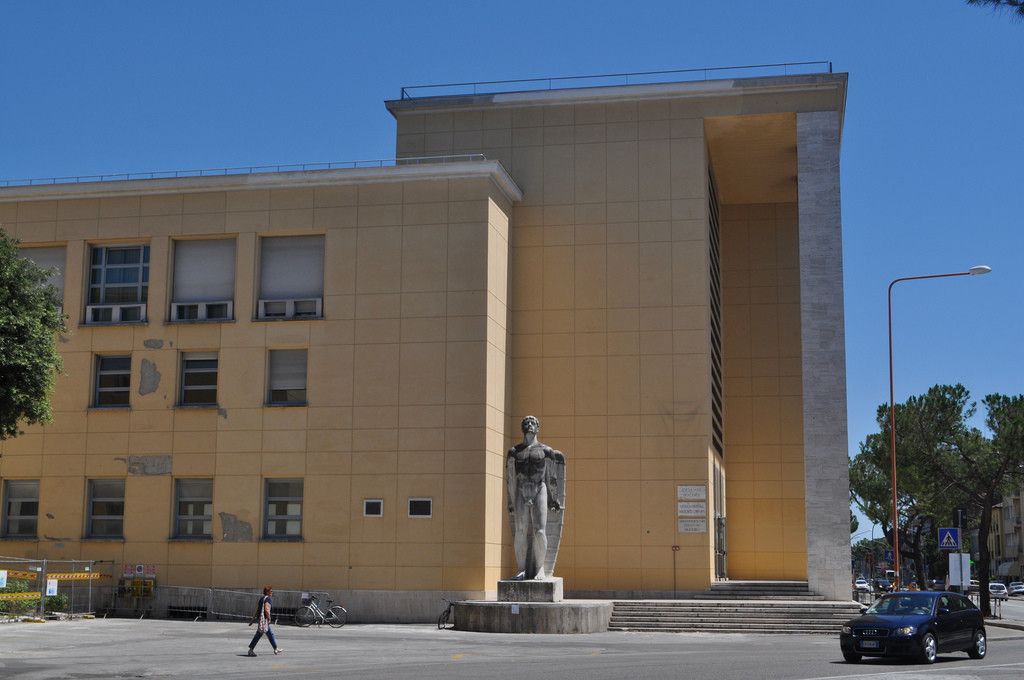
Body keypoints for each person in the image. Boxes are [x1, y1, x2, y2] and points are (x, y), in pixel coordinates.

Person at [506, 415, 565, 580]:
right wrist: (510, 500)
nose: (529, 425)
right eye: (526, 423)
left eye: (532, 423)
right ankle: (521, 569)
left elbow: (551, 477)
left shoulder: (546, 451)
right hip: (521, 491)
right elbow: (510, 478)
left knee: (540, 531)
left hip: (539, 488)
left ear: (537, 428)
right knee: (520, 531)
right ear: (522, 428)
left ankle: (540, 569)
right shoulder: (514, 451)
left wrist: (554, 498)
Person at [247, 585, 281, 656]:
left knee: (269, 634)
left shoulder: (261, 598)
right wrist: (269, 618)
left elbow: (257, 610)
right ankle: (251, 650)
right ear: (267, 592)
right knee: (259, 635)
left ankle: (275, 648)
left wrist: (252, 620)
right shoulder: (268, 599)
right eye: (271, 591)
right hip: (264, 621)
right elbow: (266, 609)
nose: (272, 592)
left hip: (260, 620)